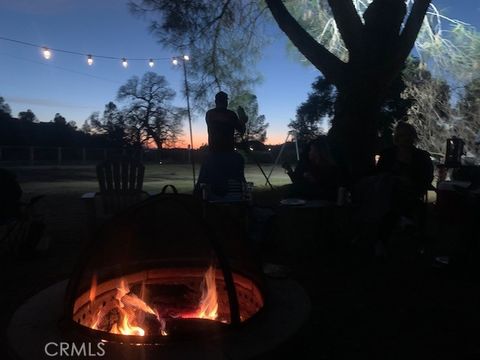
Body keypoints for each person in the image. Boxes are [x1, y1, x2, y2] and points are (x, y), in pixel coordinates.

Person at [196, 91, 248, 198]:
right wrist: (242, 120)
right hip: (226, 153)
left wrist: (240, 121)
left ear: (216, 101)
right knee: (239, 165)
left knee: (205, 178)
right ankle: (240, 195)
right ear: (226, 102)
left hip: (214, 153)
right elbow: (241, 130)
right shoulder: (230, 115)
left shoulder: (209, 114)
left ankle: (201, 196)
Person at [282, 136, 341, 201]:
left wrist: (313, 180)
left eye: (311, 150)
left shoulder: (330, 169)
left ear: (317, 152)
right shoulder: (310, 166)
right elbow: (298, 182)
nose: (308, 152)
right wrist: (290, 170)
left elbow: (327, 192)